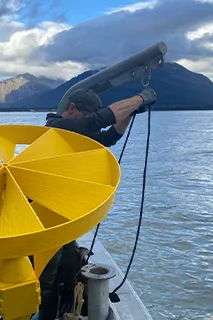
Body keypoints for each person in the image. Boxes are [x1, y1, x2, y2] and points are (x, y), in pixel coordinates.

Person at [35, 87, 157, 320]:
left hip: (62, 217)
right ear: (71, 109)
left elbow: (109, 137)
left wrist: (130, 113)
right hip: (42, 219)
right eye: (86, 116)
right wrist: (139, 97)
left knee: (67, 271)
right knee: (45, 279)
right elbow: (97, 121)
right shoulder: (56, 127)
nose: (92, 126)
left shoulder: (76, 136)